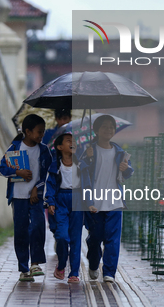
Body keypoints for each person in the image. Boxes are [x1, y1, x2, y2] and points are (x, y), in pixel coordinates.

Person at [0, 114, 52, 282]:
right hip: (18, 197)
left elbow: (48, 175)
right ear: (28, 132)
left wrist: (37, 188)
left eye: (43, 132)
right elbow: (1, 168)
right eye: (39, 132)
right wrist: (17, 172)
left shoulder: (44, 151)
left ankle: (35, 263)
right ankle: (23, 268)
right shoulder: (14, 148)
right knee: (21, 231)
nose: (41, 136)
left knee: (37, 227)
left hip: (35, 198)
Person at [79, 115, 133, 283]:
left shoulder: (119, 152)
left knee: (113, 238)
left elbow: (127, 173)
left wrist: (126, 169)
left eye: (111, 127)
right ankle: (94, 264)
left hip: (115, 201)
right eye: (105, 127)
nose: (109, 129)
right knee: (95, 237)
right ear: (96, 130)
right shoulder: (89, 151)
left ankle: (109, 272)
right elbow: (81, 173)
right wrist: (86, 158)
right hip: (95, 203)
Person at [45, 133, 83, 283]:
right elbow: (51, 185)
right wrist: (51, 201)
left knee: (75, 238)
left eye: (74, 141)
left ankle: (74, 273)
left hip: (78, 200)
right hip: (61, 200)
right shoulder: (56, 166)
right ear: (59, 147)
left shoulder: (82, 163)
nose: (72, 143)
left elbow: (89, 181)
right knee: (61, 236)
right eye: (68, 141)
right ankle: (61, 264)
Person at [42, 108, 72, 238]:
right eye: (60, 118)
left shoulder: (75, 134)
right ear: (56, 119)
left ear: (70, 118)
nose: (63, 121)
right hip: (55, 171)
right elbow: (44, 152)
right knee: (52, 200)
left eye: (66, 118)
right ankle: (57, 232)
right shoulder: (50, 134)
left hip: (70, 171)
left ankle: (65, 235)